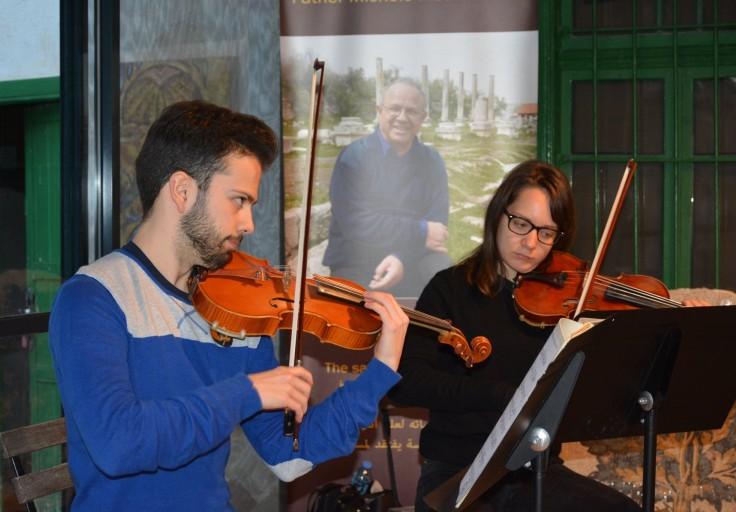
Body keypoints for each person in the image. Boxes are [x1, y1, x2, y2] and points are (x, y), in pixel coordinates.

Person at [49, 100, 409, 511]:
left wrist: (380, 370)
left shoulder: (237, 310)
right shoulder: (94, 298)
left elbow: (289, 455)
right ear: (183, 191)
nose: (248, 223)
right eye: (238, 200)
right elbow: (119, 444)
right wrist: (249, 391)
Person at [388, 160, 647, 511]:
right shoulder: (448, 290)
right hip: (456, 472)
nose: (530, 243)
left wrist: (685, 313)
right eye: (521, 223)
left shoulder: (570, 302)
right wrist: (497, 394)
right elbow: (407, 382)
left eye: (546, 232)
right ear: (498, 214)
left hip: (536, 469)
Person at [322, 78, 452, 297]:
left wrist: (401, 257)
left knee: (444, 276)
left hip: (413, 255)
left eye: (411, 111)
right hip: (358, 256)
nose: (402, 117)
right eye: (394, 108)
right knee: (360, 317)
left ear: (423, 118)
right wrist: (420, 230)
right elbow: (357, 225)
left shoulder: (432, 161)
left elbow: (437, 225)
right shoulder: (354, 158)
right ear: (379, 110)